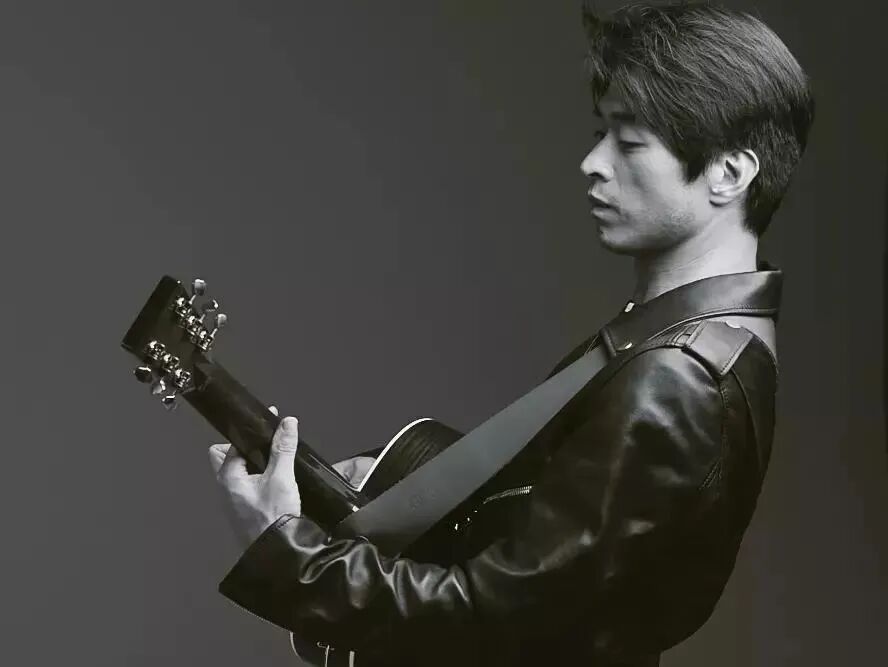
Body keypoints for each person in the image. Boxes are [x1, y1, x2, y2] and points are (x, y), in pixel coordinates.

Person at [206, 2, 815, 665]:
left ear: (729, 173)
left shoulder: (677, 378)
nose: (592, 162)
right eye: (600, 134)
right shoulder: (702, 336)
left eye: (629, 142)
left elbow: (485, 619)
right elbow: (566, 553)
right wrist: (408, 486)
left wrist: (284, 549)